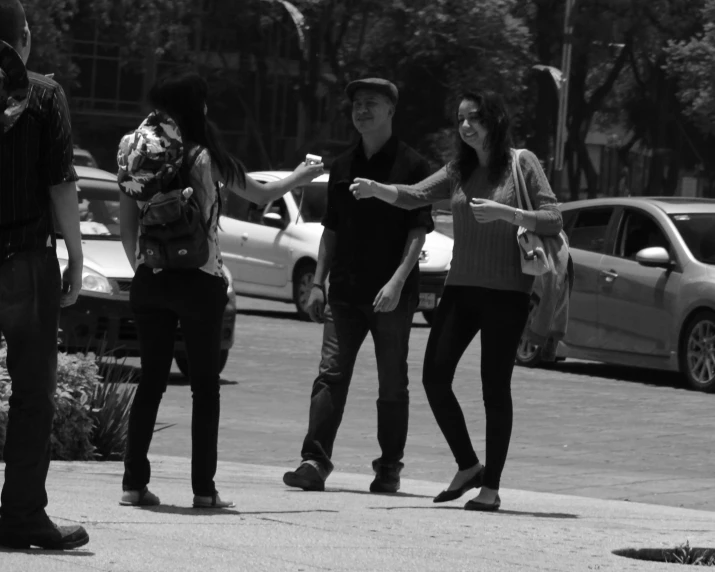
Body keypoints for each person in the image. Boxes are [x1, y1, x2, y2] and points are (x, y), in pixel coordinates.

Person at [118, 71, 324, 509]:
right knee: (204, 387)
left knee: (151, 382)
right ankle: (203, 490)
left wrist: (146, 264)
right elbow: (261, 191)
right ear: (197, 108)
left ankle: (133, 484)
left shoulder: (133, 151)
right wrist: (301, 176)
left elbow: (127, 222)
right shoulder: (206, 156)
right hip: (201, 279)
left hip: (150, 279)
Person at [350, 89, 563, 511]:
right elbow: (414, 195)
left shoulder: (522, 163)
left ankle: (491, 488)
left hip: (508, 293)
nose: (466, 126)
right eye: (461, 120)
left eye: (474, 118)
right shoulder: (458, 170)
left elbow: (554, 218)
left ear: (493, 120)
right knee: (433, 376)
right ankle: (468, 466)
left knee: (494, 389)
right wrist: (378, 189)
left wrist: (509, 215)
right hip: (461, 289)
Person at [283, 78, 433, 493]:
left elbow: (419, 231)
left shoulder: (413, 165)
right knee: (330, 375)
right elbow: (331, 229)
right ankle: (313, 461)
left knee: (392, 381)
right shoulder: (343, 164)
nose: (361, 110)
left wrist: (397, 282)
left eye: (371, 103)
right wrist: (318, 283)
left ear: (390, 110)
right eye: (356, 104)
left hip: (391, 295)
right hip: (345, 293)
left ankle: (388, 467)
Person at [0, 0, 88, 550]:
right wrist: (77, 257)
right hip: (25, 259)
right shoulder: (44, 93)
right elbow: (60, 184)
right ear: (25, 38)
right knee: (33, 393)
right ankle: (23, 515)